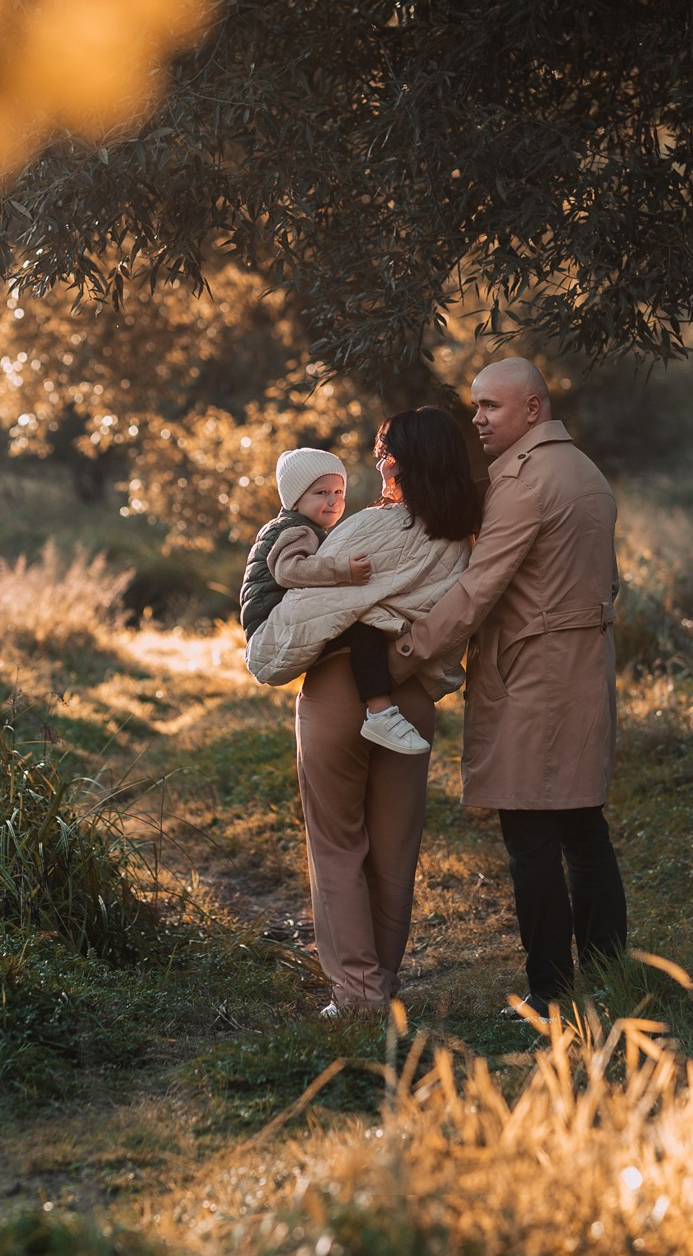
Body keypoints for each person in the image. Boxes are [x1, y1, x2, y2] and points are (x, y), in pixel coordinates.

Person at [391, 357, 627, 1011]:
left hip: (533, 678)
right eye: (475, 406)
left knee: (531, 837)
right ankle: (609, 977)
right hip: (582, 672)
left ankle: (549, 991)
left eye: (491, 406)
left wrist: (404, 651)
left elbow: (476, 590)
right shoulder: (584, 471)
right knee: (583, 827)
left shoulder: (524, 482)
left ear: (532, 409)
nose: (478, 418)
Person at [246, 407, 483, 1015]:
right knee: (395, 847)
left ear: (404, 462)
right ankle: (385, 979)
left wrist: (267, 642)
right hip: (411, 699)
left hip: (336, 693)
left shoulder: (366, 530)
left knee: (338, 842)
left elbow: (301, 614)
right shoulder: (467, 539)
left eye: (385, 455)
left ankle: (358, 994)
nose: (378, 466)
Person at [239, 447, 429, 754]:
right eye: (321, 492)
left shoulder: (307, 527)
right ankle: (380, 711)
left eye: (339, 491)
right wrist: (344, 571)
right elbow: (289, 570)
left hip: (279, 613)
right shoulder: (295, 529)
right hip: (270, 620)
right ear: (296, 499)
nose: (333, 500)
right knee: (364, 629)